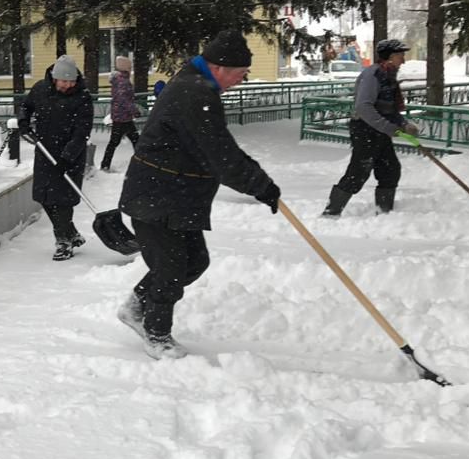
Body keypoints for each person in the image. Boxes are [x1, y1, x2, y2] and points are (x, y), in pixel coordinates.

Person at [117, 30, 280, 357]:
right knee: (172, 267)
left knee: (195, 262)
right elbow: (219, 154)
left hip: (178, 194)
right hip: (157, 194)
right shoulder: (194, 92)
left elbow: (214, 149)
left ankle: (135, 307)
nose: (241, 80)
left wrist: (257, 180)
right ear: (219, 67)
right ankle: (157, 334)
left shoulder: (196, 85)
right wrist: (259, 185)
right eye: (240, 73)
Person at [322, 38, 421, 217]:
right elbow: (364, 107)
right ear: (389, 57)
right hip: (365, 128)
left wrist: (403, 124)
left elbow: (388, 108)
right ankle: (331, 212)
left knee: (390, 169)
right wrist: (389, 128)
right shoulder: (373, 75)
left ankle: (383, 212)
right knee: (359, 172)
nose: (403, 60)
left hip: (379, 130)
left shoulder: (389, 76)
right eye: (400, 55)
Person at [18, 55, 94, 261]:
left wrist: (67, 157)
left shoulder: (82, 97)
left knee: (62, 200)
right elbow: (26, 106)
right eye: (64, 81)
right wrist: (23, 121)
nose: (68, 85)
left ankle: (63, 241)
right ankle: (71, 233)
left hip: (70, 155)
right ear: (54, 78)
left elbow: (82, 132)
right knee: (44, 197)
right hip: (44, 151)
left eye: (71, 81)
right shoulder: (40, 89)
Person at [100, 55, 139, 172]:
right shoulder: (123, 81)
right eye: (130, 66)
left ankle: (105, 165)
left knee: (116, 142)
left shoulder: (118, 80)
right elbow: (124, 100)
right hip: (123, 118)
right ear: (126, 68)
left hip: (119, 117)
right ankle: (142, 162)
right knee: (135, 140)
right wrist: (134, 110)